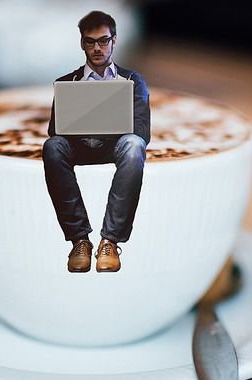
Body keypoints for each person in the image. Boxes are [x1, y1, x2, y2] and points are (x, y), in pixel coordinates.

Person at [43, 10, 151, 273]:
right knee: (52, 147)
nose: (97, 48)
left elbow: (142, 130)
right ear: (82, 43)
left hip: (116, 146)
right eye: (90, 42)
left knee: (134, 145)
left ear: (114, 40)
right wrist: (80, 119)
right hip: (79, 145)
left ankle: (110, 242)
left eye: (103, 41)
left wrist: (107, 123)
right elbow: (54, 130)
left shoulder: (133, 81)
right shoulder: (67, 82)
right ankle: (79, 240)